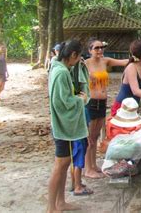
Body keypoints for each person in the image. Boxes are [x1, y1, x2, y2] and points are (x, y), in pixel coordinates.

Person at [47, 40, 89, 212]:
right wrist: (80, 99)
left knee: (64, 164)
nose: (79, 61)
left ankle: (61, 202)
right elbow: (61, 102)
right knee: (60, 165)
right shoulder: (61, 73)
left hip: (64, 126)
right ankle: (51, 207)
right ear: (73, 55)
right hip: (61, 126)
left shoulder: (61, 68)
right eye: (79, 57)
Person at [84, 38, 129, 179]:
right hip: (91, 102)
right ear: (90, 50)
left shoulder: (105, 61)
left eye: (101, 47)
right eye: (96, 48)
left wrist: (136, 56)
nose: (100, 50)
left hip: (102, 102)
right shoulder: (85, 64)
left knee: (96, 136)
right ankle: (88, 168)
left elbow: (124, 62)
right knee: (89, 138)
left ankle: (93, 165)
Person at [70, 58, 93, 196]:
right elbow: (86, 123)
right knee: (78, 160)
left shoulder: (79, 105)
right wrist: (88, 135)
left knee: (75, 159)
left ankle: (75, 183)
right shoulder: (80, 106)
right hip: (79, 134)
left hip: (76, 133)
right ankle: (78, 186)